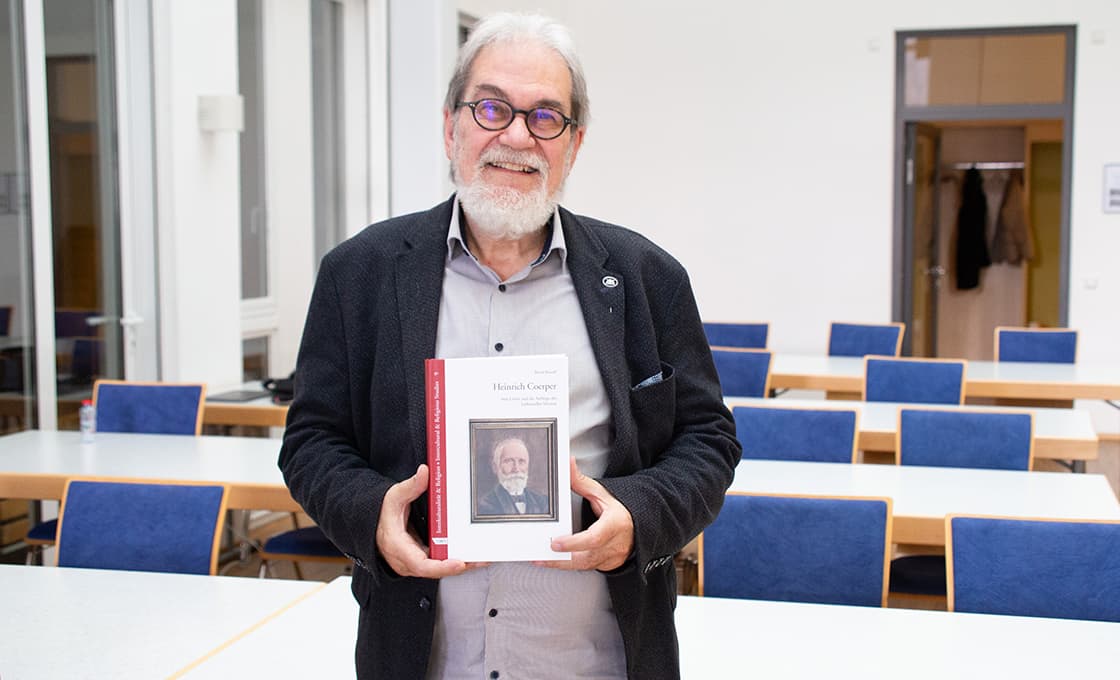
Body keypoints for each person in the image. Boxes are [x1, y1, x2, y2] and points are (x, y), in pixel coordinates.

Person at [279, 11, 740, 680]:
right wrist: (371, 515)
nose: (517, 136)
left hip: (600, 664)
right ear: (451, 126)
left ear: (574, 144)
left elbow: (709, 441)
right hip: (421, 660)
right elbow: (313, 439)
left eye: (546, 117)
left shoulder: (646, 277)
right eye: (492, 108)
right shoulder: (361, 274)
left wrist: (639, 516)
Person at [477, 436, 551, 516]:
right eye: (509, 461)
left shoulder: (544, 502)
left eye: (521, 461)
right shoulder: (484, 505)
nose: (516, 469)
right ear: (495, 467)